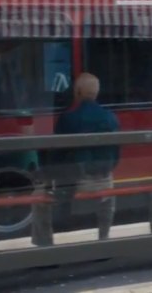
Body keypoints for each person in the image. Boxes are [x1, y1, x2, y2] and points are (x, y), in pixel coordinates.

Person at [33, 73, 121, 246]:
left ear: (78, 92)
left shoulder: (68, 118)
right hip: (104, 181)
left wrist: (44, 176)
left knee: (38, 199)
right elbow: (116, 156)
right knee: (108, 197)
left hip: (77, 183)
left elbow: (57, 156)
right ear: (96, 92)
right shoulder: (111, 118)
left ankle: (44, 247)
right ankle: (104, 240)